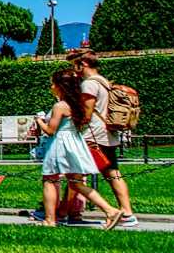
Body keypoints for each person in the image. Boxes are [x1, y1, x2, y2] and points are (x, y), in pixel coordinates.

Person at [34, 67, 122, 230]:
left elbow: (51, 130)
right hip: (74, 143)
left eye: (53, 84)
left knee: (49, 179)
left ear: (61, 86)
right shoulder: (76, 104)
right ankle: (110, 210)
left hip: (59, 144)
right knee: (76, 182)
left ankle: (50, 219)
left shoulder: (59, 106)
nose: (51, 87)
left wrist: (39, 122)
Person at [67, 48, 138, 228]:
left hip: (93, 136)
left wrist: (72, 125)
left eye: (75, 65)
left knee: (76, 175)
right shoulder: (105, 82)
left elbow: (87, 113)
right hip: (108, 135)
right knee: (113, 174)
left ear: (82, 64)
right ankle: (127, 212)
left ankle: (68, 212)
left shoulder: (89, 84)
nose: (74, 69)